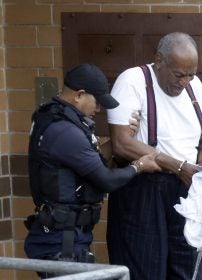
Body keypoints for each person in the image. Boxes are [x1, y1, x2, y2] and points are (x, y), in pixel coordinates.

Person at [24, 63, 160, 278]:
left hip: (66, 234)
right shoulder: (64, 130)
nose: (98, 110)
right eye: (96, 102)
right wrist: (139, 166)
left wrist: (121, 139)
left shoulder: (59, 119)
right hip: (62, 239)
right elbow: (106, 180)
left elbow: (86, 160)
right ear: (79, 95)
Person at [106, 32, 202, 280]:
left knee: (186, 268)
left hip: (185, 185)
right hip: (144, 188)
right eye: (179, 74)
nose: (185, 82)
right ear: (158, 61)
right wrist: (177, 165)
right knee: (144, 269)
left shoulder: (194, 89)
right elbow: (121, 144)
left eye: (191, 75)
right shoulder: (133, 81)